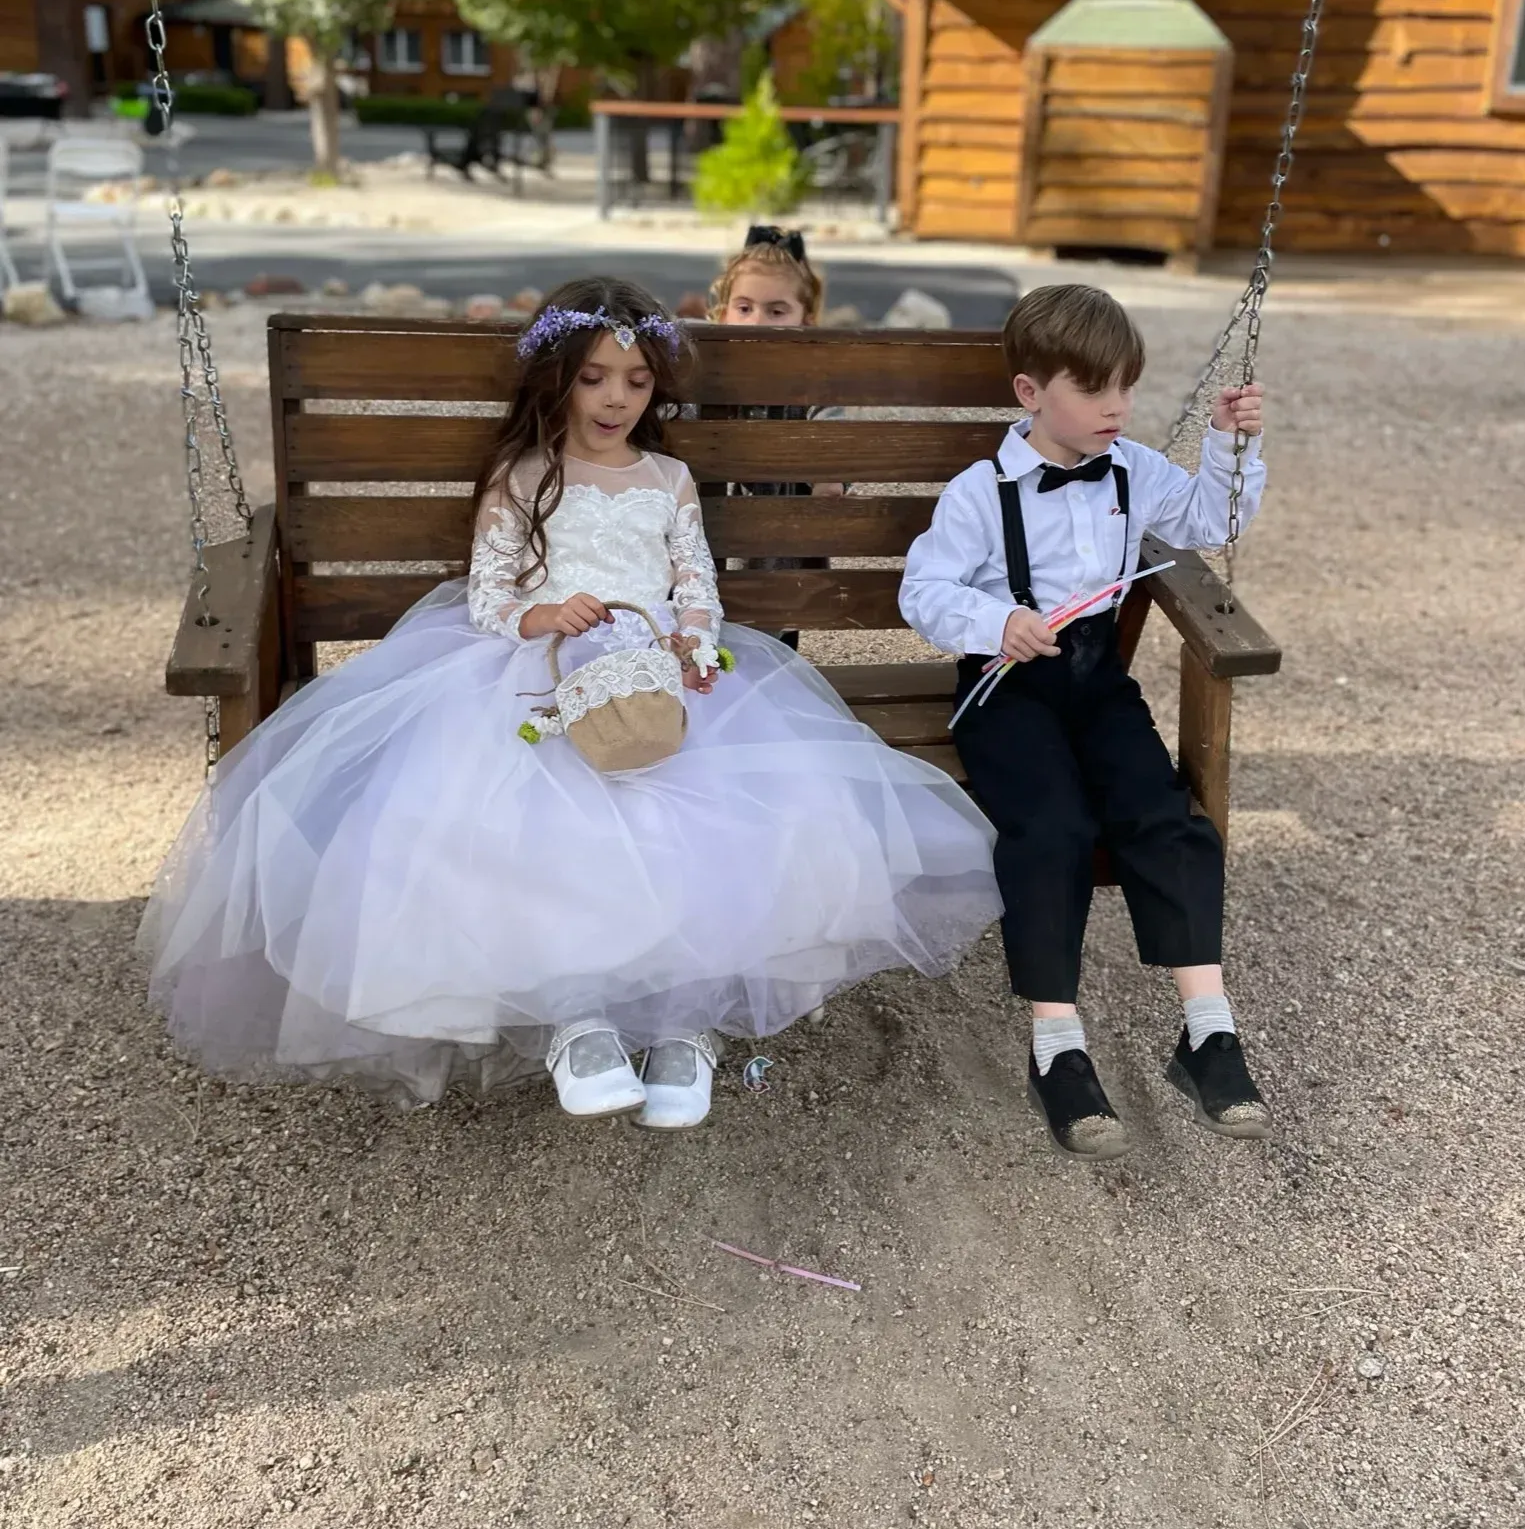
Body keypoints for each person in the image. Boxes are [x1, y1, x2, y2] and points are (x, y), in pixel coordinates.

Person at [141, 277, 1001, 1128]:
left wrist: (695, 642)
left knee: (720, 810)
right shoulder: (524, 477)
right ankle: (578, 1019)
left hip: (653, 667)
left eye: (634, 380)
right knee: (528, 812)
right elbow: (488, 598)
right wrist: (542, 613)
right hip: (537, 666)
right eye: (593, 377)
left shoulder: (669, 477)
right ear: (556, 377)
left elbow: (696, 584)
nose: (615, 398)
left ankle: (683, 1022)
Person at [900, 282, 1271, 1161]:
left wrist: (1229, 442)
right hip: (1007, 689)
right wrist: (995, 622)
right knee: (1052, 826)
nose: (1117, 407)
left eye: (1126, 389)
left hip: (1098, 683)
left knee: (1160, 808)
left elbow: (1209, 522)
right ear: (1032, 394)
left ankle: (1207, 1029)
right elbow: (924, 589)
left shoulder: (1133, 470)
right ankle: (1057, 1045)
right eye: (1095, 389)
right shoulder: (978, 492)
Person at [708, 226, 842, 652]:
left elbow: (834, 424)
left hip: (777, 569)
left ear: (807, 320)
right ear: (722, 313)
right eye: (744, 308)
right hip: (704, 558)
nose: (757, 322)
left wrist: (830, 472)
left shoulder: (813, 385)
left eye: (776, 311)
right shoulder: (703, 377)